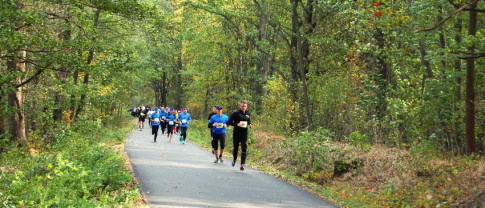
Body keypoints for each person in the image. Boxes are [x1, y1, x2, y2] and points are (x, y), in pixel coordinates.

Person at [228, 100, 253, 171]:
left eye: (244, 106)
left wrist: (250, 124)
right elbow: (229, 121)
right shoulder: (236, 113)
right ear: (240, 106)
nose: (243, 107)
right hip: (236, 133)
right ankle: (234, 159)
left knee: (244, 148)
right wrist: (236, 124)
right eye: (242, 106)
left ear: (246, 106)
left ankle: (242, 164)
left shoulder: (248, 113)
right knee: (236, 147)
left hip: (244, 133)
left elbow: (249, 121)